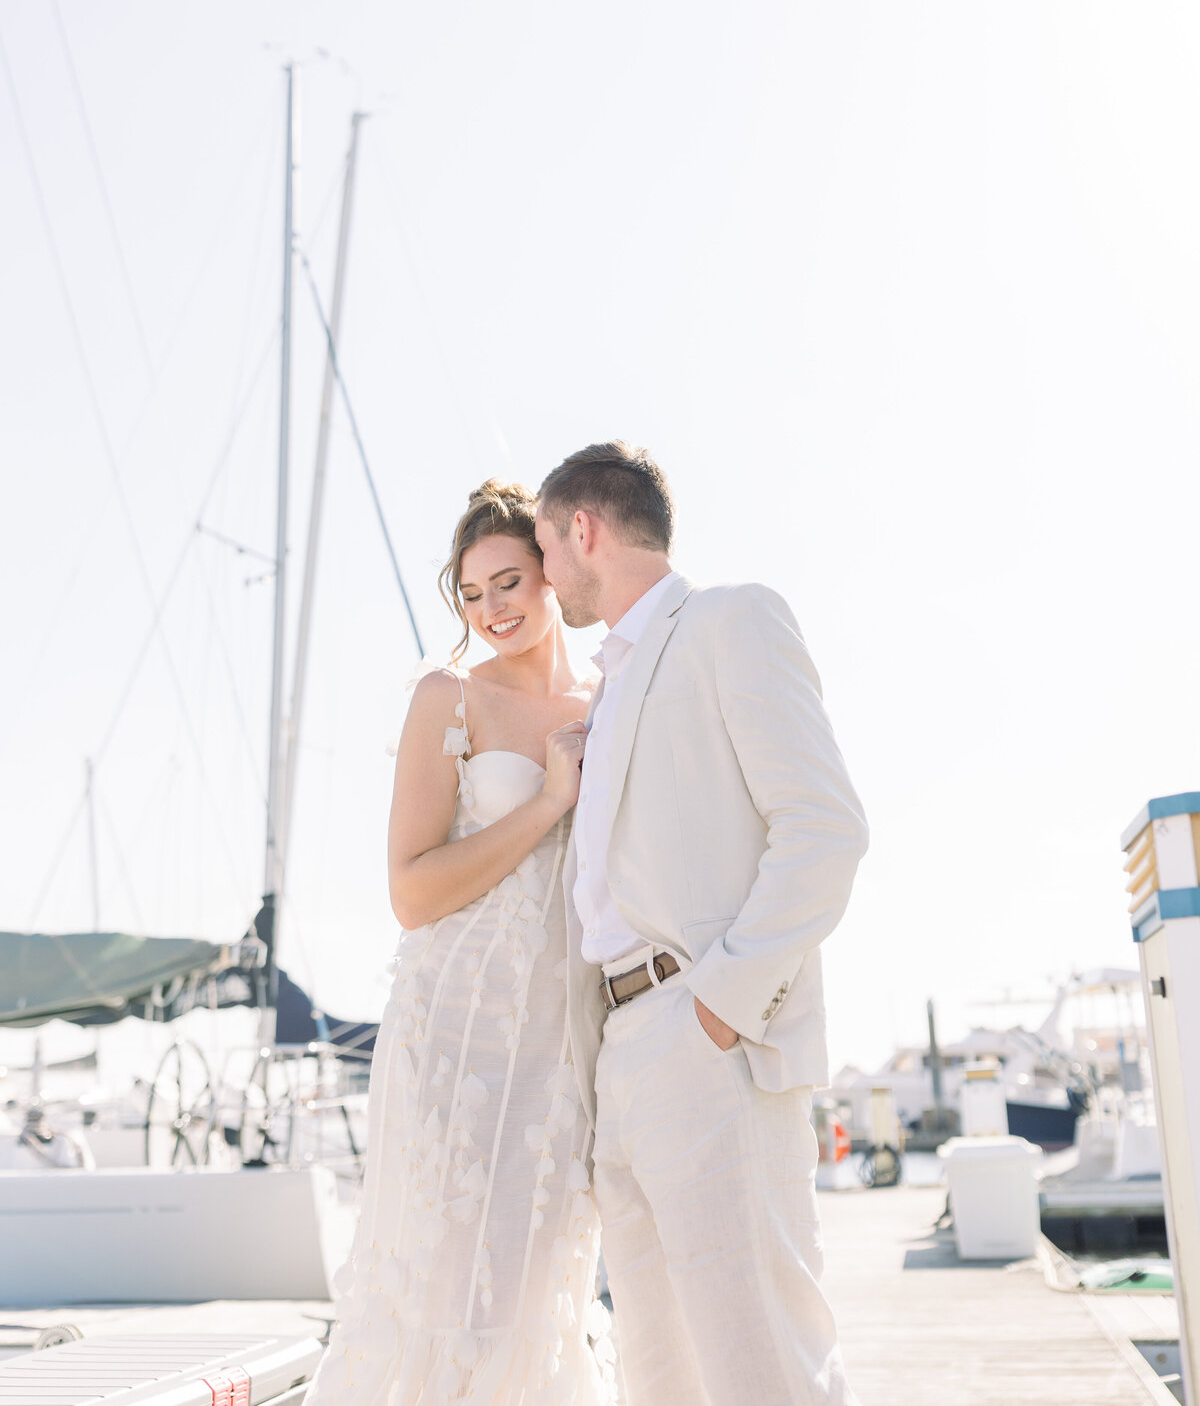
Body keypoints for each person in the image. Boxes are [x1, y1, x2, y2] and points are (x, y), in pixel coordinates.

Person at [535, 442, 869, 1406]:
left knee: (762, 1364)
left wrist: (719, 1007)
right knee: (662, 1378)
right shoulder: (608, 689)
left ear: (584, 532)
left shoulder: (732, 620)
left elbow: (825, 830)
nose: (550, 580)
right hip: (621, 1057)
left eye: (549, 553)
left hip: (707, 1039)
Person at [308, 480, 614, 1406]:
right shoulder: (447, 696)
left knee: (539, 1284)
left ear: (556, 573)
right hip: (455, 1034)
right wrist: (554, 800)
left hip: (563, 1038)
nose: (493, 611)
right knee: (441, 1284)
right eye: (472, 595)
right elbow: (412, 892)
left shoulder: (611, 695)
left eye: (511, 582)